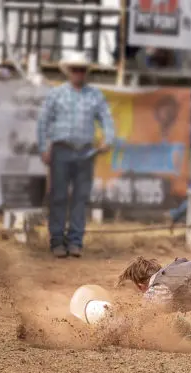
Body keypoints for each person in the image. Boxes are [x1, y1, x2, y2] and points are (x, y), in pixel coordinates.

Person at [37, 51, 116, 258]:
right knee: (59, 196)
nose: (78, 73)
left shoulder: (95, 95)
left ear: (85, 72)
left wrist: (108, 139)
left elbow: (107, 119)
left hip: (85, 152)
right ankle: (56, 240)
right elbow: (43, 121)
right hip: (61, 150)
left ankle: (75, 241)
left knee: (80, 197)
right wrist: (43, 147)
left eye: (81, 70)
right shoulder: (56, 94)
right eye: (75, 70)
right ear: (69, 72)